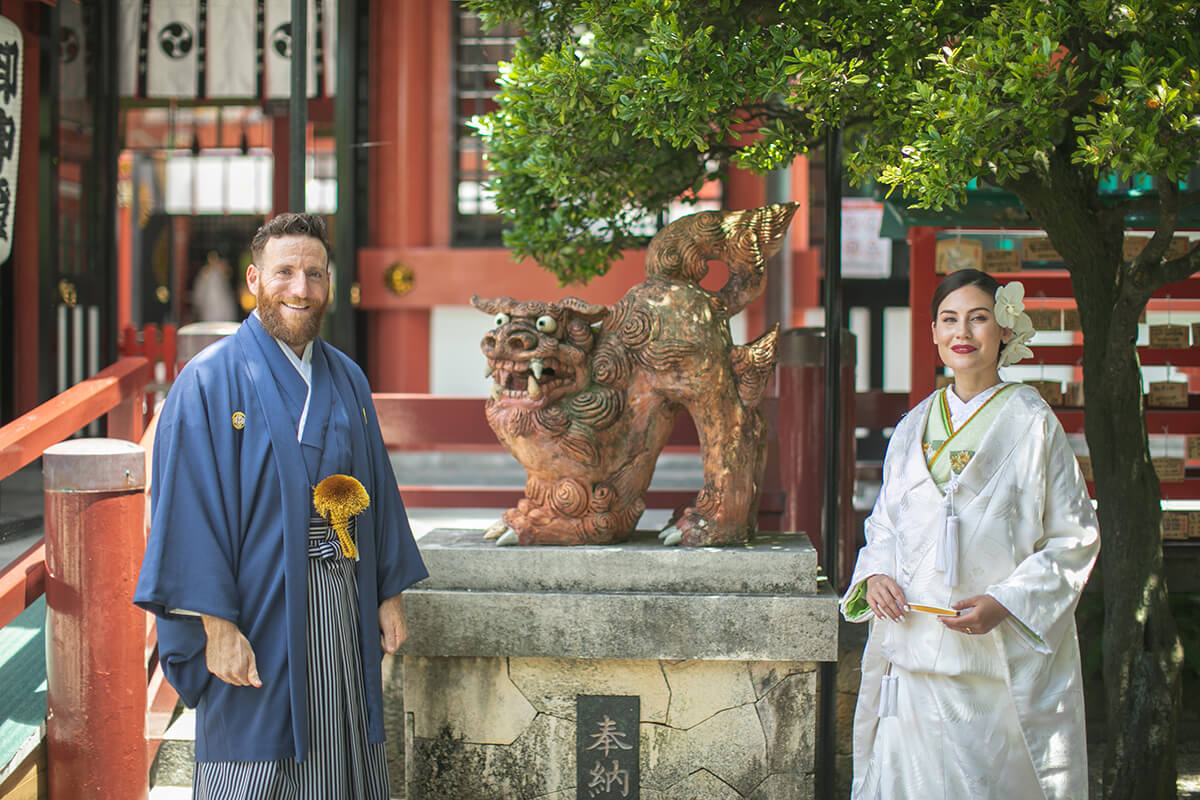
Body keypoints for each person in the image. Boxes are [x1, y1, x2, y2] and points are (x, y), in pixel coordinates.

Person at [135, 213, 427, 799]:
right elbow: (188, 512)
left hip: (340, 607)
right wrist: (216, 627)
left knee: (339, 751)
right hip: (256, 610)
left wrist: (388, 593)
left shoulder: (345, 377)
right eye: (285, 272)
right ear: (255, 278)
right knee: (255, 756)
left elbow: (376, 487)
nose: (301, 288)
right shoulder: (208, 380)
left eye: (314, 274)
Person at [840, 268, 1099, 799]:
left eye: (979, 318)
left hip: (993, 663)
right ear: (934, 333)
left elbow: (1074, 536)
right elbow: (885, 523)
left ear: (1004, 329)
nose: (963, 332)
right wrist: (878, 574)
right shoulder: (912, 425)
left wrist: (1006, 601)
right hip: (913, 652)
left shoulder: (1033, 422)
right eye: (950, 319)